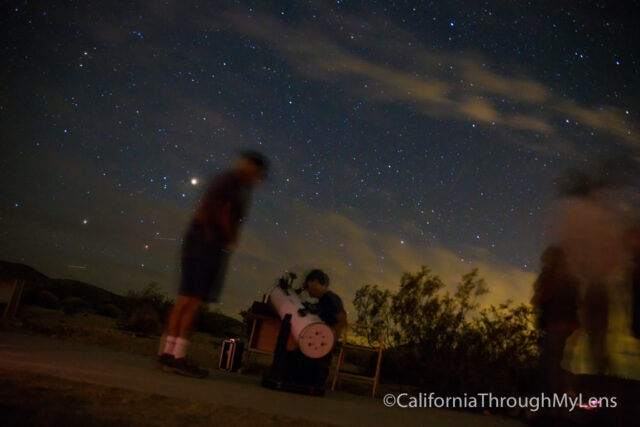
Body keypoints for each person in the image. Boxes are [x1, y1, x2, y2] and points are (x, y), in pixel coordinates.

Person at [157, 151, 268, 377]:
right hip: (208, 244)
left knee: (185, 299)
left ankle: (167, 354)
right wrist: (230, 237)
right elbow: (225, 211)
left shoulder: (225, 180)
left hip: (196, 240)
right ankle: (177, 357)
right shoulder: (234, 184)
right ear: (251, 169)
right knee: (194, 301)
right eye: (257, 174)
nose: (258, 180)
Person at [285, 269, 347, 387]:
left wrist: (328, 340)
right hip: (318, 344)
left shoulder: (330, 298)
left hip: (321, 347)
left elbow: (342, 321)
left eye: (309, 284)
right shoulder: (323, 301)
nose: (307, 289)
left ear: (316, 282)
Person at [531, 246, 580, 394]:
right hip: (560, 325)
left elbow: (542, 298)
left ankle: (553, 397)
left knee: (551, 361)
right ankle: (557, 396)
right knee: (554, 361)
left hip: (557, 324)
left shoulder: (556, 277)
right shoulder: (565, 277)